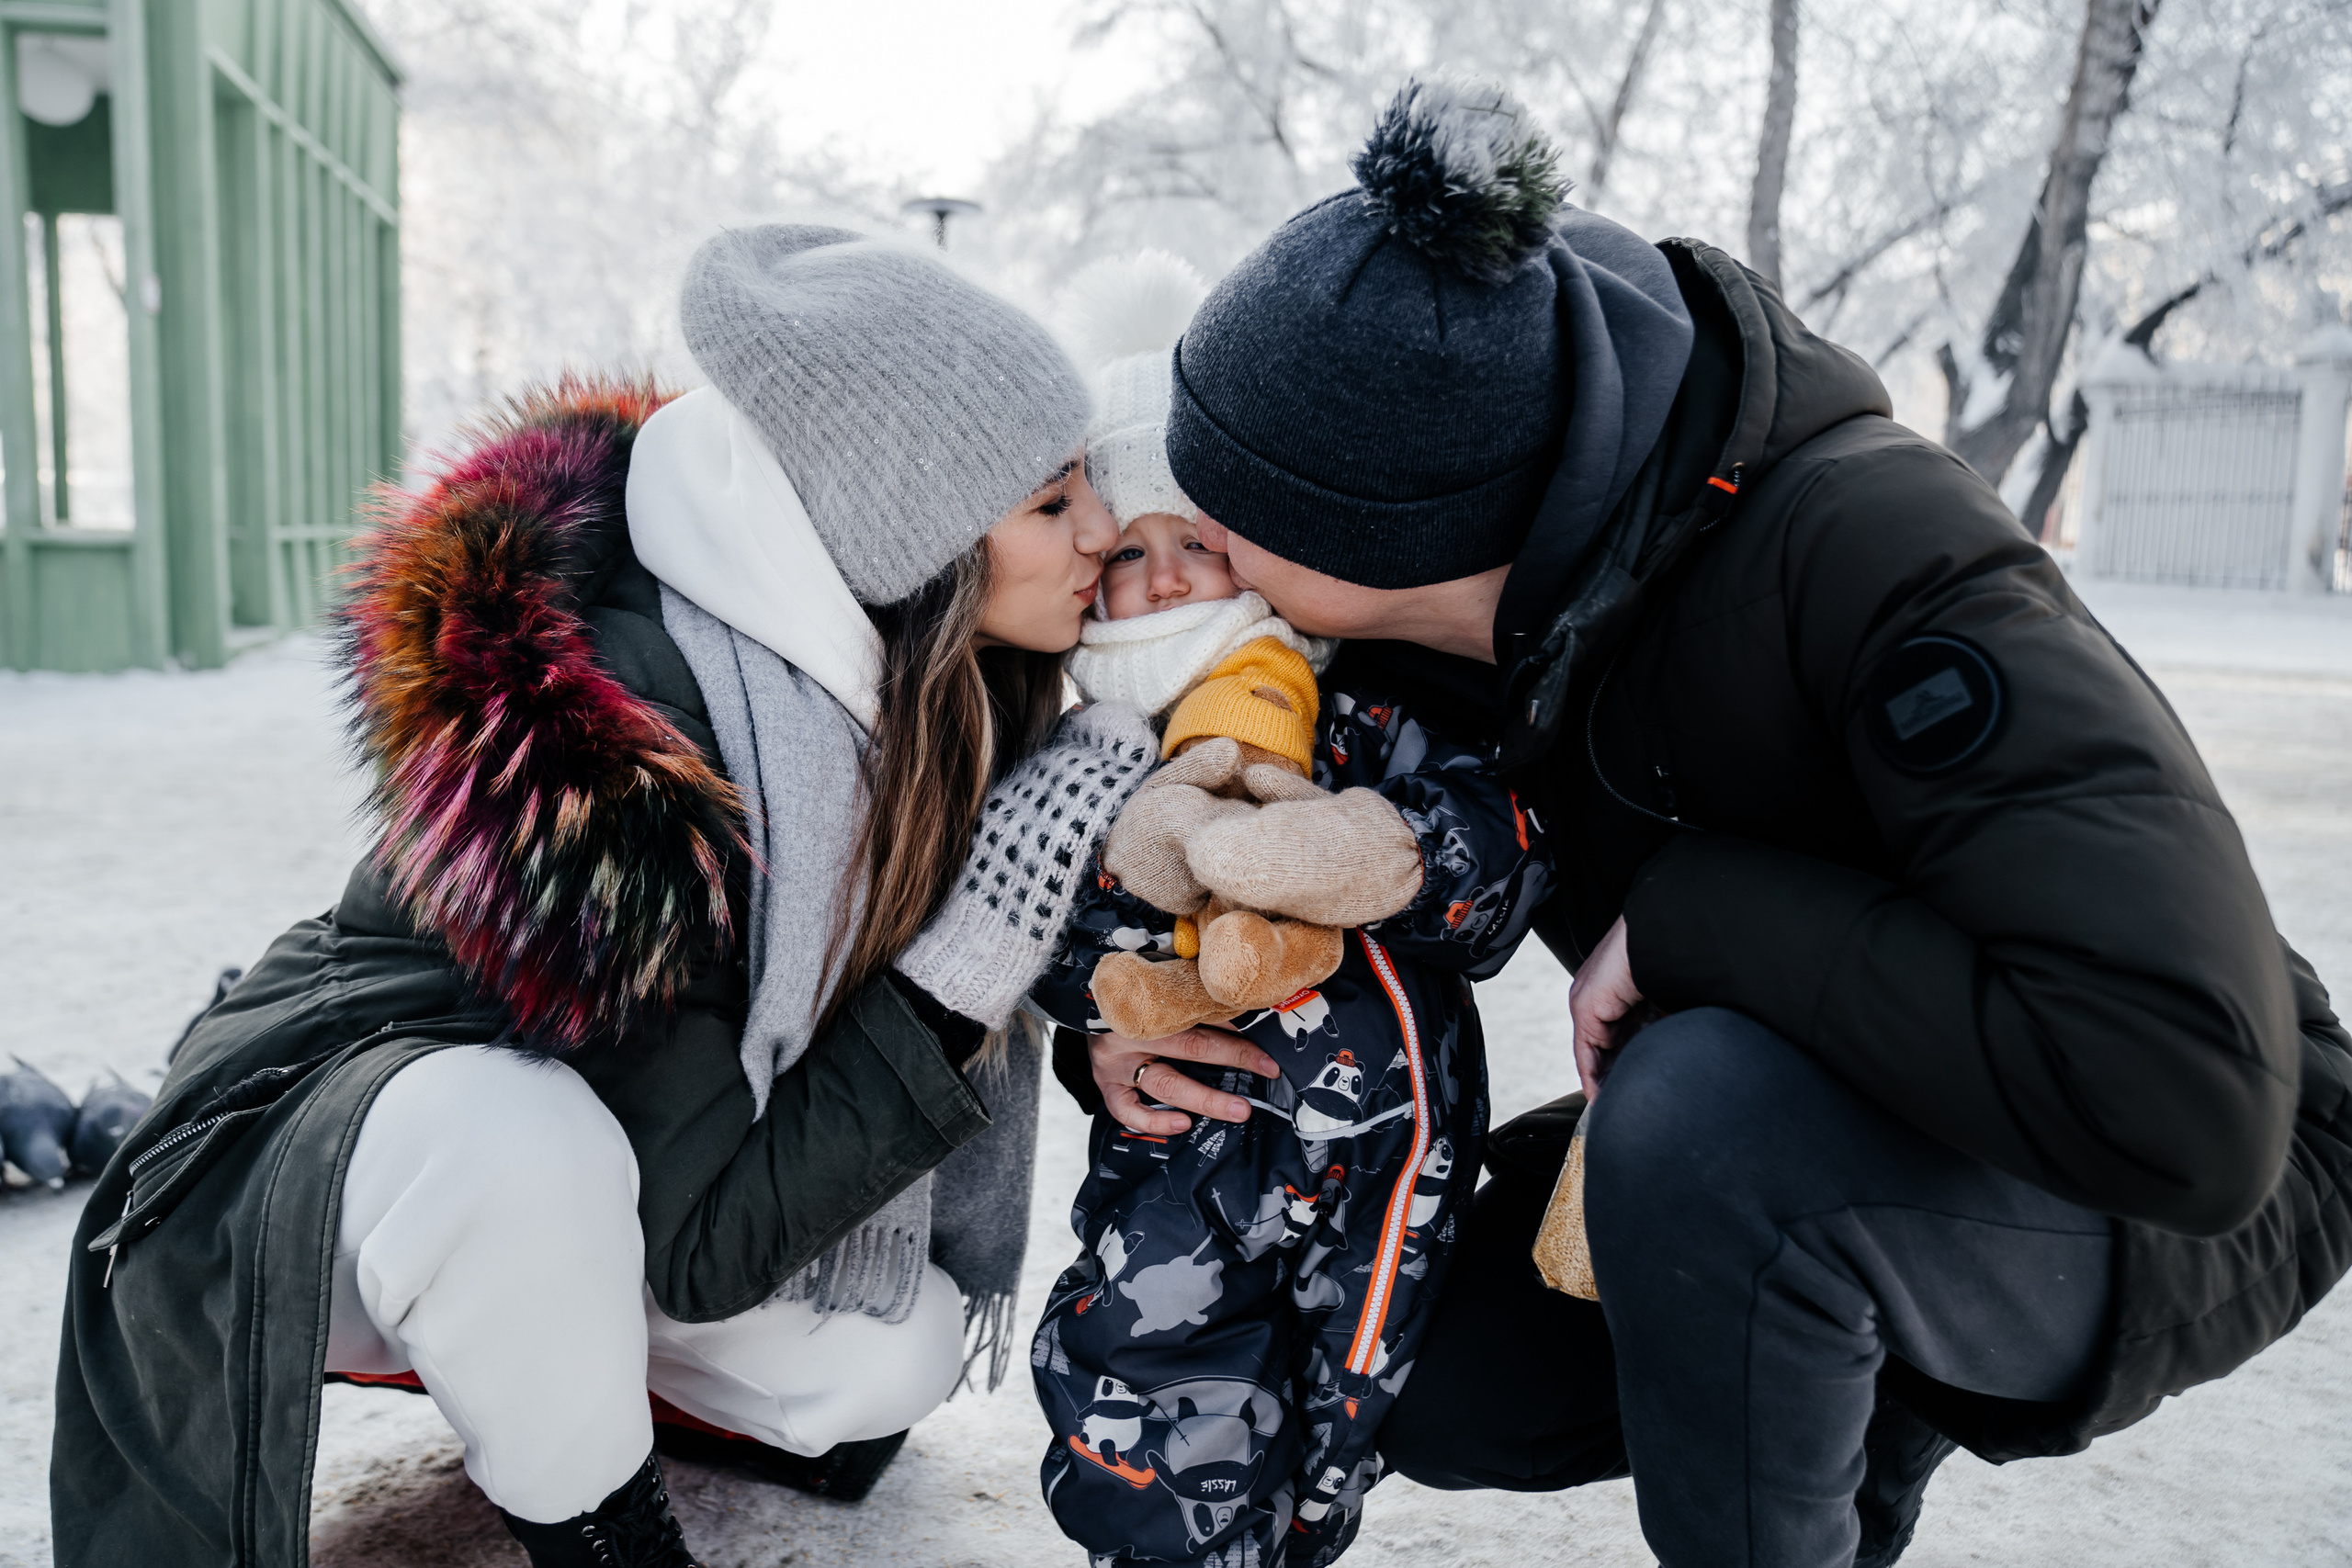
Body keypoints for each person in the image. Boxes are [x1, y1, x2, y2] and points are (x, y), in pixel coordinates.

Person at [1074, 76, 2352, 1568]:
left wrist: (1695, 925)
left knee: (1697, 1115)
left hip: (2156, 1171)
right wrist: (1117, 1023)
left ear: (1383, 534)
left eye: (1229, 508)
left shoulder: (1879, 553)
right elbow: (1240, 854)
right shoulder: (1418, 624)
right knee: (1439, 1361)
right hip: (1824, 1082)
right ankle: (1847, 1389)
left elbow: (2185, 1100)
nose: (1196, 548)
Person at [52, 225, 1159, 1568]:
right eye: (1051, 505)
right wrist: (963, 968)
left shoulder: (903, 697)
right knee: (522, 1139)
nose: (1100, 532)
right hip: (335, 1162)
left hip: (610, 1162)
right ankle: (600, 1519)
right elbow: (704, 1244)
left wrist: (1085, 1003)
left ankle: (531, 1346)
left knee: (893, 1348)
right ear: (909, 537)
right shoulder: (622, 744)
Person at [1023, 255, 1555, 1567]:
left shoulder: (1359, 712)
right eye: (1128, 553)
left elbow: (1503, 865)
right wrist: (1097, 1018)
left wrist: (1394, 852)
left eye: (1191, 543)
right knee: (1152, 1404)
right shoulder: (1091, 759)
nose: (1157, 581)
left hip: (1391, 1174)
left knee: (1339, 1434)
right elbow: (1040, 932)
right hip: (1192, 1176)